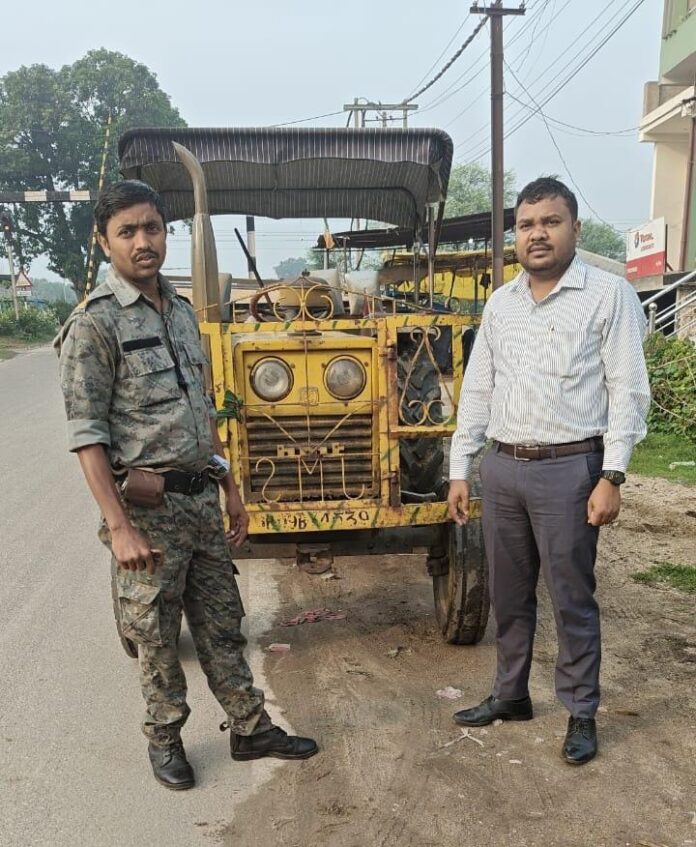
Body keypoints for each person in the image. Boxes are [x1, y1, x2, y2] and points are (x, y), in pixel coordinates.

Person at [56, 180, 318, 790]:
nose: (143, 241)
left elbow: (200, 410)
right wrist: (119, 527)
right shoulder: (94, 326)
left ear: (164, 231)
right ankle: (165, 739)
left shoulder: (178, 311)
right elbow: (87, 437)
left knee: (224, 623)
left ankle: (250, 728)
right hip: (147, 512)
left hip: (201, 499)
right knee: (155, 635)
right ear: (104, 242)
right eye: (127, 231)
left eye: (151, 227)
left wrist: (230, 487)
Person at [447, 177, 650, 765]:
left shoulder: (609, 296)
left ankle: (581, 711)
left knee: (571, 599)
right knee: (509, 597)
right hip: (503, 468)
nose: (538, 234)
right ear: (516, 234)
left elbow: (628, 390)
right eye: (527, 224)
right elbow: (479, 389)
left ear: (574, 229)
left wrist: (612, 474)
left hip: (571, 471)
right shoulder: (500, 303)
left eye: (551, 222)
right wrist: (462, 467)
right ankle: (511, 695)